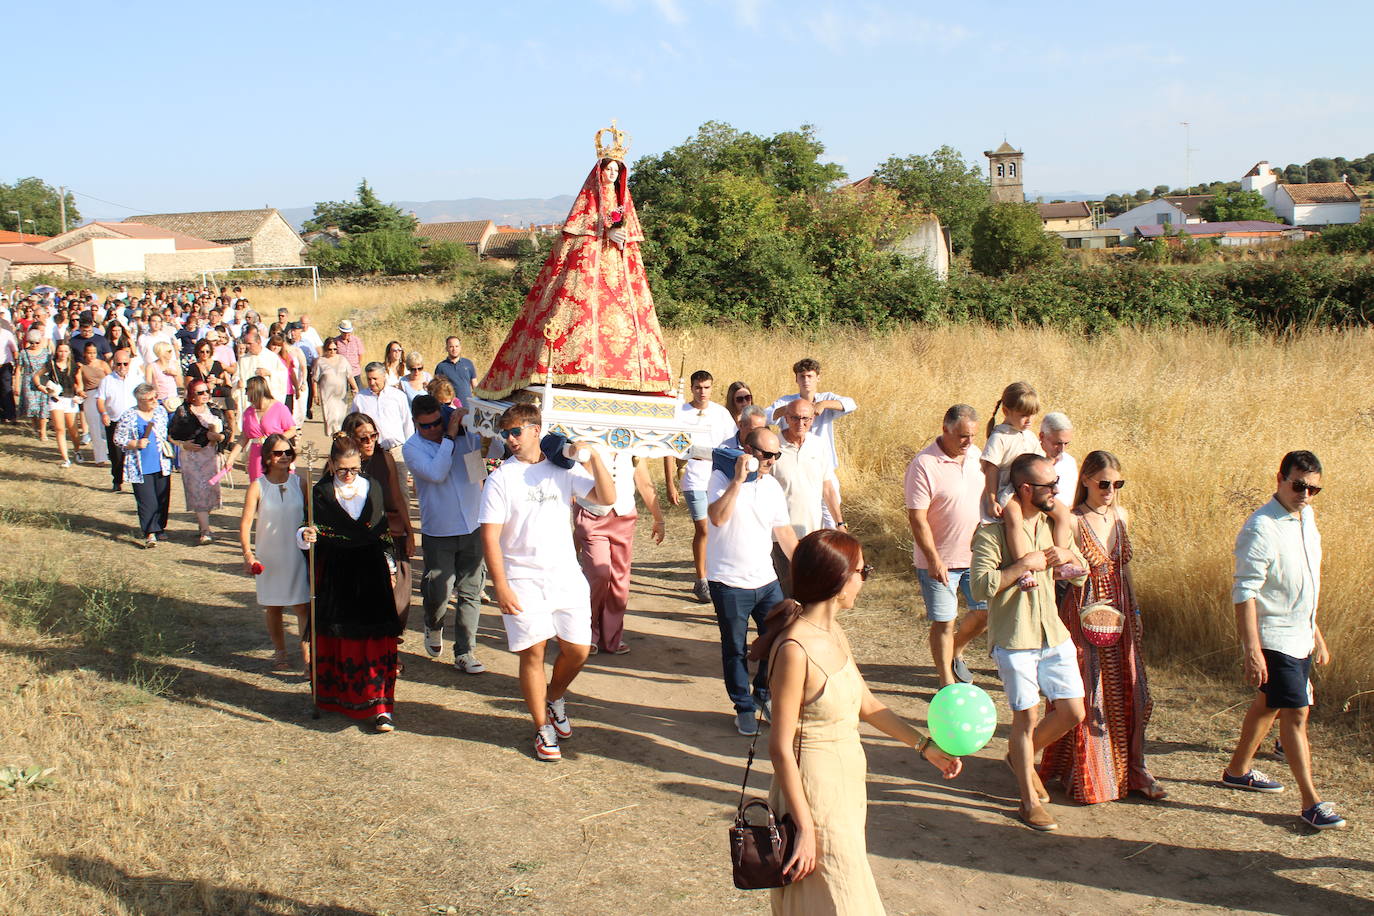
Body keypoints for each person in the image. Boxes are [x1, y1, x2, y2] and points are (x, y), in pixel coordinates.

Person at [752, 529, 962, 911]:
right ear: (838, 579)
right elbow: (780, 747)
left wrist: (925, 746)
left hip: (845, 784)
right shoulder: (795, 648)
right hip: (813, 791)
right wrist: (805, 828)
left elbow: (866, 703)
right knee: (842, 898)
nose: (865, 579)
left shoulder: (833, 632)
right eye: (863, 571)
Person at [475, 129, 672, 399]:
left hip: (616, 267)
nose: (612, 174)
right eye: (609, 169)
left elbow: (630, 235)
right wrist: (605, 232)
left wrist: (621, 237)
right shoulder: (589, 199)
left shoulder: (623, 201)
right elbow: (580, 231)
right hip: (589, 266)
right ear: (600, 171)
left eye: (616, 170)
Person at [477, 402, 615, 761]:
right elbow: (489, 536)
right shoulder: (501, 478)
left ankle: (554, 697)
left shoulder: (561, 468)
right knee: (533, 652)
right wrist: (500, 585)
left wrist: (593, 458)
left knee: (578, 650)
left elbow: (607, 498)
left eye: (516, 432)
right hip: (521, 577)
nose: (510, 439)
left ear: (535, 430)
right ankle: (542, 728)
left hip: (565, 575)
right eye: (505, 433)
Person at [1220, 450, 1345, 830]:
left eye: (1313, 489)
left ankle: (1238, 771)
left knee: (1269, 704)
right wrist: (1253, 650)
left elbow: (1304, 583)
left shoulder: (1307, 519)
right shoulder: (1261, 528)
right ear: (1280, 479)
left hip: (1300, 636)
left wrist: (1315, 632)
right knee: (1296, 713)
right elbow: (1245, 592)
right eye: (1298, 486)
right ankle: (1311, 802)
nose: (1305, 495)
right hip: (1274, 637)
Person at [1038, 450, 1165, 803]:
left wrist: (1135, 611)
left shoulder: (1122, 516)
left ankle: (1133, 769)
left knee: (1135, 693)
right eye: (1104, 484)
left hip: (1121, 611)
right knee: (1090, 690)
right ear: (1087, 481)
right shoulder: (1073, 520)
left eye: (1117, 484)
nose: (1110, 491)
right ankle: (1088, 774)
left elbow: (1125, 568)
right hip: (1084, 611)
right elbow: (1058, 567)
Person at [971, 453, 1089, 831]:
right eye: (1048, 485)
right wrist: (1022, 566)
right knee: (1027, 717)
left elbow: (1080, 574)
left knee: (1073, 712)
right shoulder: (991, 534)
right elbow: (980, 587)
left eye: (1056, 483)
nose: (1056, 490)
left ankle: (1017, 757)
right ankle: (1027, 802)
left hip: (1053, 632)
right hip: (1014, 638)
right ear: (1025, 489)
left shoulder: (1053, 526)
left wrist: (1067, 554)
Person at [302, 435, 404, 732]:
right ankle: (336, 698)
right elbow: (307, 527)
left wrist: (390, 565)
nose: (348, 475)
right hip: (336, 573)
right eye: (342, 470)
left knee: (375, 637)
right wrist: (305, 536)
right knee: (341, 637)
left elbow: (382, 531)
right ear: (331, 464)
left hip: (371, 572)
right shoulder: (320, 492)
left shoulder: (373, 487)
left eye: (354, 469)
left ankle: (381, 707)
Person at [707, 426, 799, 736]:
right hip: (728, 581)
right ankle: (743, 707)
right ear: (747, 450)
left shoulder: (771, 486)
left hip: (766, 580)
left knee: (778, 639)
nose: (771, 460)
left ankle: (763, 693)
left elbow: (783, 532)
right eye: (766, 454)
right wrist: (737, 480)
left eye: (776, 455)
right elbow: (717, 517)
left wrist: (804, 568)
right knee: (735, 648)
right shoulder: (721, 478)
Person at [906, 404, 988, 687]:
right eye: (963, 436)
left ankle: (955, 650)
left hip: (977, 557)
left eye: (973, 435)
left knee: (986, 612)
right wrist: (933, 559)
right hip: (940, 560)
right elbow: (917, 518)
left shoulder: (976, 456)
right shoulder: (924, 464)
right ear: (945, 429)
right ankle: (946, 683)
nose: (969, 442)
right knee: (944, 620)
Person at [404, 395, 486, 672]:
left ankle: (465, 651)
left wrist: (479, 425)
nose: (433, 430)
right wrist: (449, 437)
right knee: (440, 590)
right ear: (415, 423)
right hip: (439, 529)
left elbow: (482, 466)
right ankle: (433, 622)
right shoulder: (412, 448)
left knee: (471, 592)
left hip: (472, 525)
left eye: (437, 423)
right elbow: (437, 473)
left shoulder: (465, 437)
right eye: (425, 426)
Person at [981, 382, 1074, 590]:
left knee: (1062, 512)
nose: (1029, 420)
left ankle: (1061, 563)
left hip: (1031, 489)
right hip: (1007, 490)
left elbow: (1039, 462)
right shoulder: (999, 437)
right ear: (1006, 411)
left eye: (1032, 415)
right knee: (1014, 517)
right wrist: (992, 498)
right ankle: (1024, 569)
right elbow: (991, 470)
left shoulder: (1029, 436)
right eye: (1024, 415)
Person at [575, 448, 664, 655]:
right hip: (592, 514)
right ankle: (586, 632)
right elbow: (578, 476)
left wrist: (659, 518)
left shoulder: (633, 446)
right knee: (599, 573)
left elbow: (644, 482)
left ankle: (611, 636)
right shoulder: (589, 442)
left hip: (624, 516)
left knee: (619, 579)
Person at [238, 432, 311, 671]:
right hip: (269, 555)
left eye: (288, 452)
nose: (284, 457)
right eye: (278, 453)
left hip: (296, 554)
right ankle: (280, 653)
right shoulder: (257, 486)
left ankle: (308, 658)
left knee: (302, 606)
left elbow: (311, 518)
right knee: (274, 606)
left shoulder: (300, 483)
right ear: (268, 457)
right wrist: (248, 554)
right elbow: (245, 524)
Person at [664, 370, 737, 604]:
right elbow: (669, 449)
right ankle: (702, 578)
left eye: (706, 387)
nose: (702, 392)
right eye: (698, 387)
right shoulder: (680, 412)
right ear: (692, 388)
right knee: (703, 528)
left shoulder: (721, 414)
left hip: (717, 477)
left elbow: (732, 446)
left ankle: (718, 574)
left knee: (720, 527)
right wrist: (670, 483)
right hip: (692, 477)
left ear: (711, 388)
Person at [342, 411, 415, 630]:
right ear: (351, 439)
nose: (370, 442)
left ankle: (390, 637)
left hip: (390, 531)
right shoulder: (342, 466)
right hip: (359, 539)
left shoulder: (385, 458)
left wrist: (410, 532)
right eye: (363, 438)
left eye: (373, 436)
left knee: (398, 594)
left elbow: (397, 497)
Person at [768, 358, 856, 528]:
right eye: (802, 376)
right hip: (792, 466)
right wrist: (791, 410)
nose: (806, 380)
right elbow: (766, 416)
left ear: (818, 378)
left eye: (810, 376)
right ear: (796, 379)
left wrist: (823, 405)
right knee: (795, 515)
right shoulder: (787, 402)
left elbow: (851, 404)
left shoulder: (826, 398)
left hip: (823, 468)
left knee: (830, 519)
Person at [770, 398, 842, 595]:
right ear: (786, 418)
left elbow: (827, 487)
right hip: (781, 534)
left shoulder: (818, 446)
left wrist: (840, 523)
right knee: (790, 591)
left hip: (812, 532)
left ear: (812, 420)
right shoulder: (773, 446)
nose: (800, 423)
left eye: (806, 419)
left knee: (812, 588)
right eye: (795, 418)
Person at [113, 383, 173, 548]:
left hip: (161, 463)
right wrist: (134, 443)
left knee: (162, 498)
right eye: (150, 399)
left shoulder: (160, 412)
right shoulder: (129, 415)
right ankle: (150, 532)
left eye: (155, 397)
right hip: (140, 466)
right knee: (147, 501)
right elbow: (118, 438)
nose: (155, 401)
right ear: (140, 400)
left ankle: (159, 527)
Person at [169, 380, 228, 544]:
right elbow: (171, 434)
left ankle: (204, 525)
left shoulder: (214, 410)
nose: (205, 395)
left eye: (206, 391)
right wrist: (183, 445)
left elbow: (227, 431)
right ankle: (205, 531)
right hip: (191, 457)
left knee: (210, 491)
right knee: (197, 491)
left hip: (211, 457)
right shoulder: (183, 412)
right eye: (200, 392)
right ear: (191, 395)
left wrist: (219, 437)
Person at [350, 362, 413, 500]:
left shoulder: (398, 396)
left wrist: (410, 451)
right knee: (374, 492)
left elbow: (407, 424)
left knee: (401, 492)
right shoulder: (360, 399)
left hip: (397, 451)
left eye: (375, 378)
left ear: (384, 376)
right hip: (372, 453)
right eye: (369, 379)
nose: (372, 382)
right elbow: (352, 426)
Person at [234, 376, 297, 483]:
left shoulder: (279, 408)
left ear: (255, 390)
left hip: (277, 453)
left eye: (247, 390)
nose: (245, 393)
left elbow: (292, 429)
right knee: (259, 486)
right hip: (257, 455)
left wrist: (274, 441)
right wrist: (231, 458)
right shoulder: (248, 412)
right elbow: (244, 437)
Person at [97, 349, 141, 491]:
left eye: (125, 364)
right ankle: (117, 480)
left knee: (135, 451)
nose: (122, 367)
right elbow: (100, 399)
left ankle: (137, 481)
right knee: (116, 453)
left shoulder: (137, 379)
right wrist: (103, 413)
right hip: (115, 420)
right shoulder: (107, 380)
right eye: (119, 364)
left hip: (133, 420)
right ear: (113, 364)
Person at [35, 340, 82, 467]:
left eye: (66, 351)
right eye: (60, 351)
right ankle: (65, 459)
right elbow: (37, 376)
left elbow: (79, 383)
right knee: (60, 429)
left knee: (73, 430)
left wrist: (79, 392)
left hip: (70, 399)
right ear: (56, 352)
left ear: (69, 352)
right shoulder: (51, 365)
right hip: (56, 399)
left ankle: (77, 450)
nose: (63, 353)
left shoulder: (74, 366)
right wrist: (41, 387)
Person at [311, 336, 356, 436]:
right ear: (325, 349)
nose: (332, 351)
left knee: (340, 419)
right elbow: (314, 380)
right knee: (332, 420)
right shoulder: (320, 362)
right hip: (328, 396)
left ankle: (340, 440)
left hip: (341, 395)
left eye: (335, 349)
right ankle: (336, 439)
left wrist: (355, 388)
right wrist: (315, 395)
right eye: (330, 349)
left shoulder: (343, 359)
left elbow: (349, 376)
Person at [76, 342, 112, 465]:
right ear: (84, 353)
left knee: (107, 425)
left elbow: (112, 379)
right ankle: (100, 457)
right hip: (90, 395)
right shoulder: (81, 367)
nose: (92, 355)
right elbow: (79, 384)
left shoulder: (103, 364)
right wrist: (80, 391)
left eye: (94, 353)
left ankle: (110, 452)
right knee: (95, 427)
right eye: (89, 353)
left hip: (105, 394)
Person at [17, 329, 50, 442]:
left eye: (37, 342)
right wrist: (16, 384)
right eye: (31, 342)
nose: (34, 345)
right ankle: (36, 427)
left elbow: (50, 367)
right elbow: (18, 369)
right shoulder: (23, 353)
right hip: (28, 382)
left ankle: (43, 431)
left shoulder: (46, 353)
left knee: (43, 406)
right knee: (32, 407)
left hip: (43, 381)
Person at [1040, 412, 1077, 504]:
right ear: (1042, 436)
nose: (1062, 449)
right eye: (1057, 443)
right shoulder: (1029, 461)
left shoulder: (1070, 462)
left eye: (1066, 443)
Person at [434, 336, 476, 407]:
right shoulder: (441, 367)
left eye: (457, 346)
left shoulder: (468, 363)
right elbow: (437, 389)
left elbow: (474, 384)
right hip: (450, 407)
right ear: (446, 348)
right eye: (451, 347)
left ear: (460, 347)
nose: (454, 349)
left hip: (468, 406)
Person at [145, 341, 184, 406]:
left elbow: (180, 384)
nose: (171, 353)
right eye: (169, 351)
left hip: (173, 398)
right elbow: (148, 384)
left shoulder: (174, 364)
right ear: (162, 352)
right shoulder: (151, 366)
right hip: (159, 399)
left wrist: (175, 374)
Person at [334, 320, 364, 386]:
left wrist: (357, 364)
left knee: (359, 390)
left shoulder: (356, 340)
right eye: (344, 333)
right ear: (340, 331)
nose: (346, 334)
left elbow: (360, 354)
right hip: (341, 372)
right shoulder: (336, 341)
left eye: (348, 332)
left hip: (355, 371)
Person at [0, 320, 17, 424]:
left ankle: (10, 415)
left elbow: (14, 350)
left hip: (5, 365)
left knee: (6, 389)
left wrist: (16, 365)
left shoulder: (7, 334)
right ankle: (2, 415)